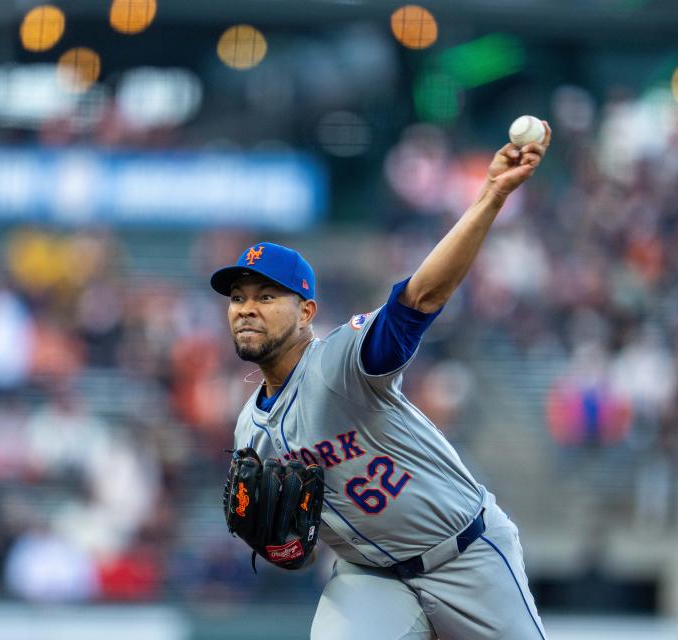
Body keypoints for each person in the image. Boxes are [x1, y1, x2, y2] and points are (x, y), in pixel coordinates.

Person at [211, 124, 551, 639]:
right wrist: (280, 547)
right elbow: (296, 551)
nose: (247, 309)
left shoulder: (341, 362)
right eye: (237, 298)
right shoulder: (249, 434)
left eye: (265, 296)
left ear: (306, 312)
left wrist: (491, 195)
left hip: (464, 555)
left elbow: (420, 299)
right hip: (370, 579)